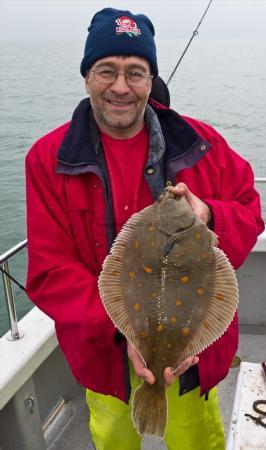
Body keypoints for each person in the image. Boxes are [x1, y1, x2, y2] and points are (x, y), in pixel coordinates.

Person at [25, 7, 265, 450]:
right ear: (86, 76)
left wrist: (209, 215)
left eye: (136, 72)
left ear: (151, 80)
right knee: (113, 438)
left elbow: (251, 208)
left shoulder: (202, 142)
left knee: (197, 440)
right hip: (104, 357)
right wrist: (124, 332)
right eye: (106, 70)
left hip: (192, 358)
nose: (120, 86)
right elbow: (49, 270)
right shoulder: (47, 158)